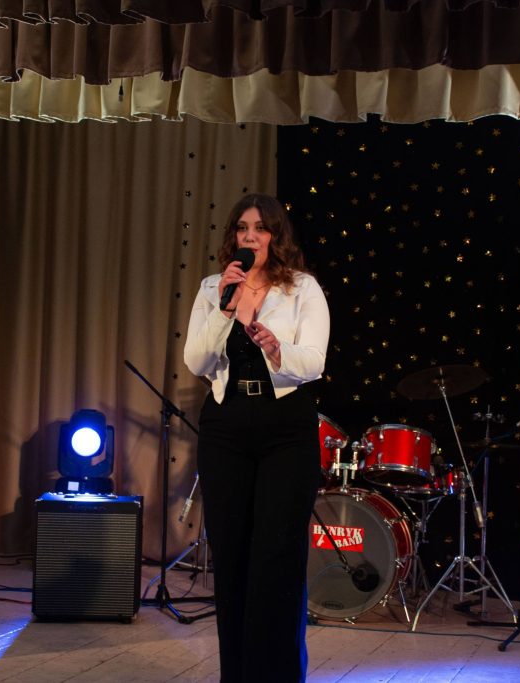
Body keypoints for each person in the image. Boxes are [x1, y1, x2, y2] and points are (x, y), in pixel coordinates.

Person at [183, 194, 330, 682]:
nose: (250, 236)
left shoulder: (302, 288)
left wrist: (277, 347)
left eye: (260, 228)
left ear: (275, 236)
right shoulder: (213, 287)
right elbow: (196, 361)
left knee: (276, 556)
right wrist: (225, 309)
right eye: (242, 228)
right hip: (226, 424)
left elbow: (314, 362)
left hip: (285, 425)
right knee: (231, 555)